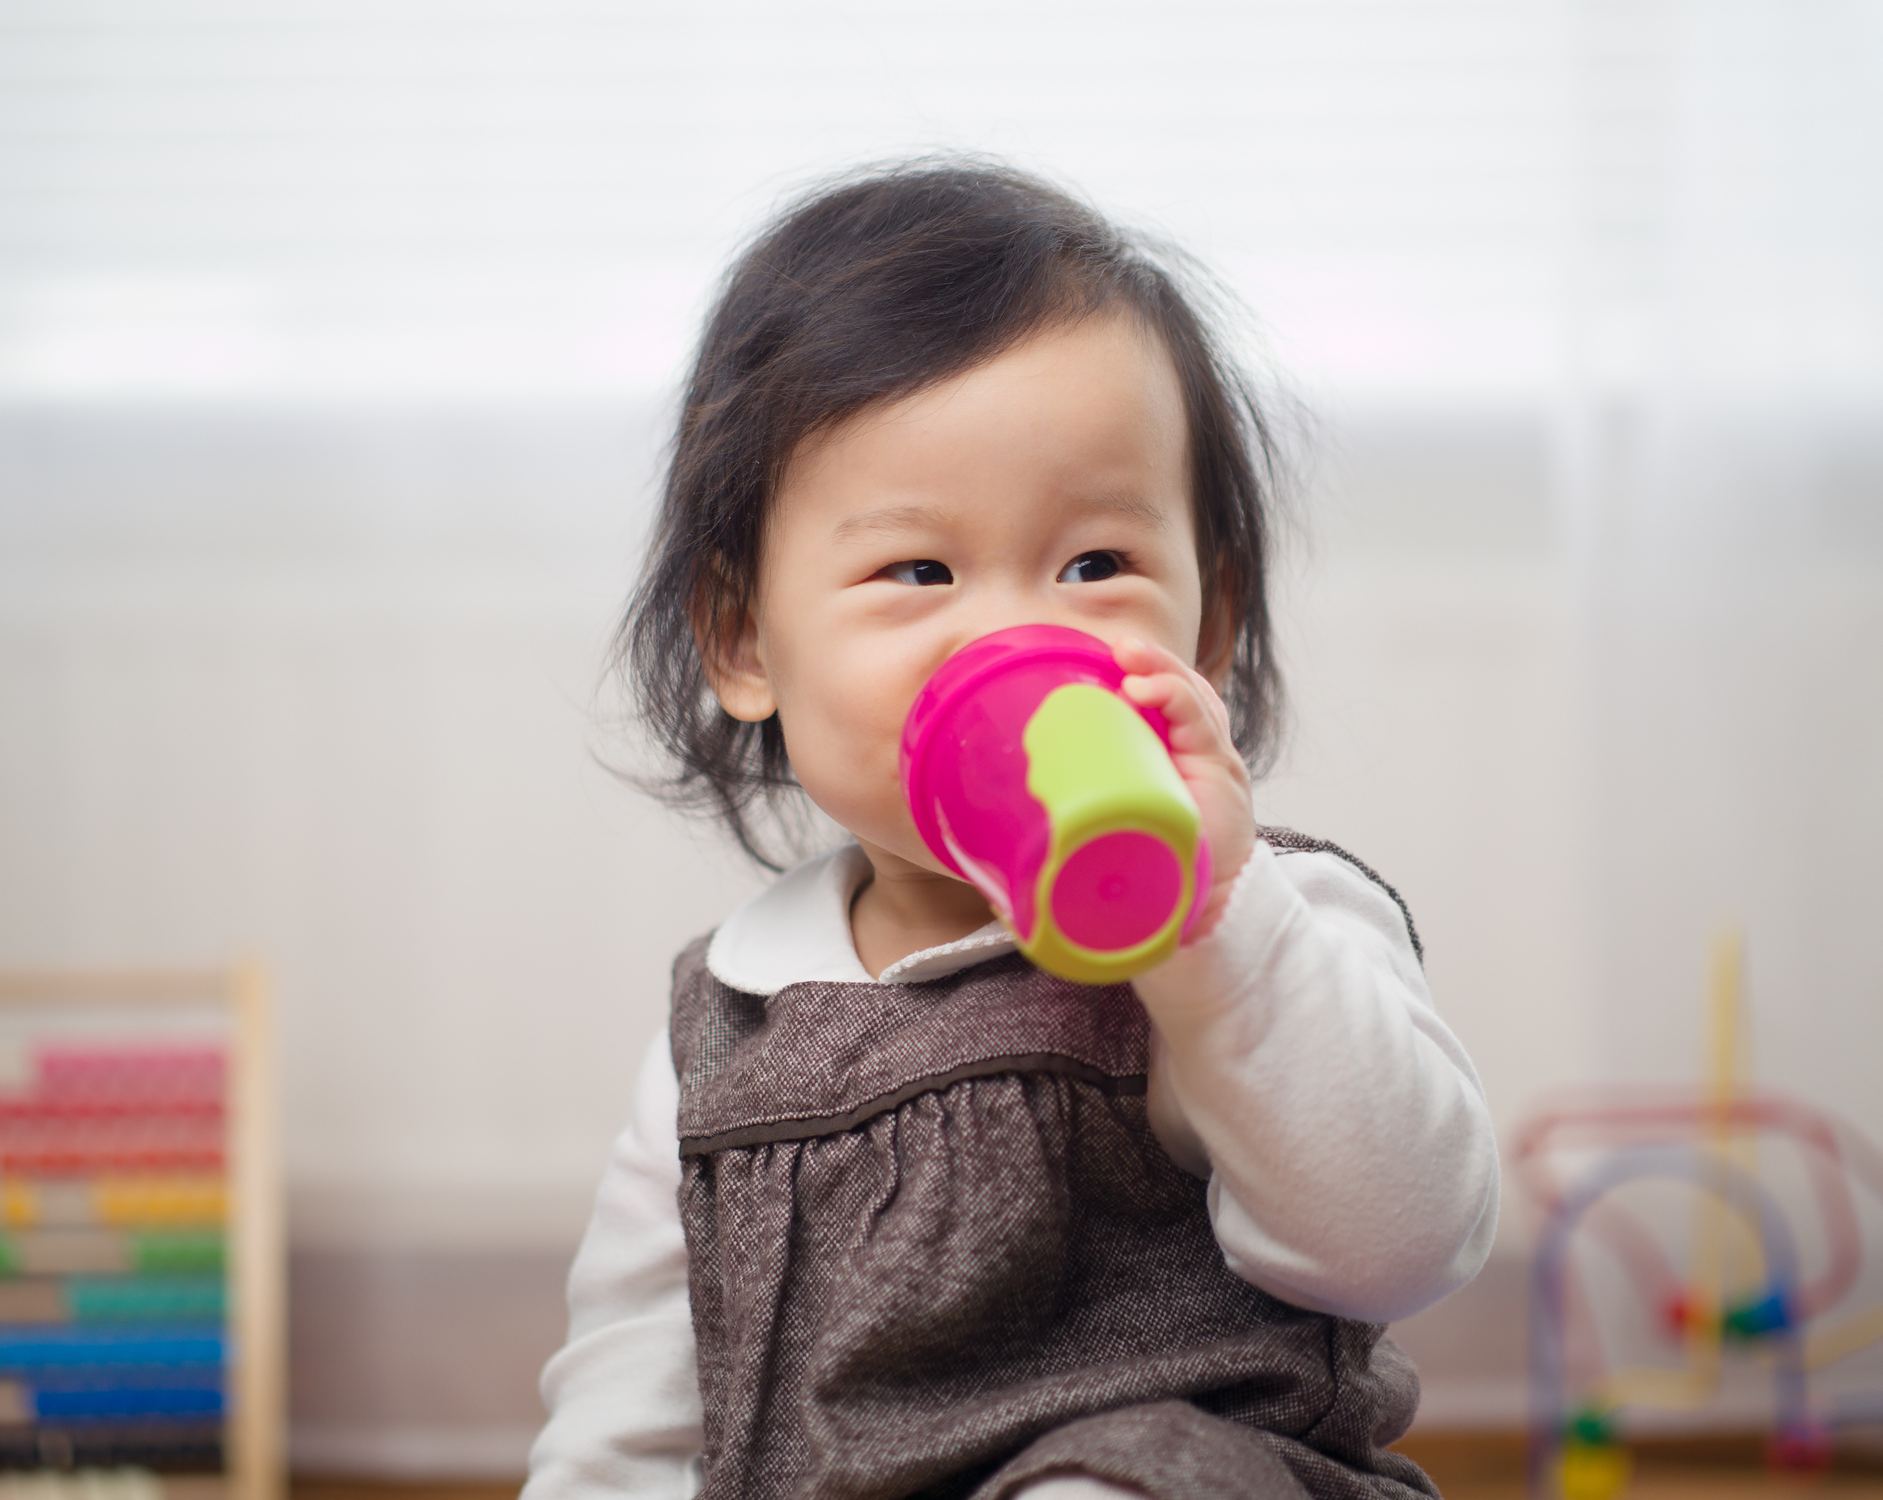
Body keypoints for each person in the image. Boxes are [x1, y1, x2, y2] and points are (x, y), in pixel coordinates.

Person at [524, 161, 1499, 1500]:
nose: (1014, 637)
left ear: (1203, 632)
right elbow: (627, 1414)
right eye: (918, 571)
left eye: (1096, 566)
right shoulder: (730, 1023)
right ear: (746, 639)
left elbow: (1400, 1243)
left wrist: (1214, 932)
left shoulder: (1269, 925)